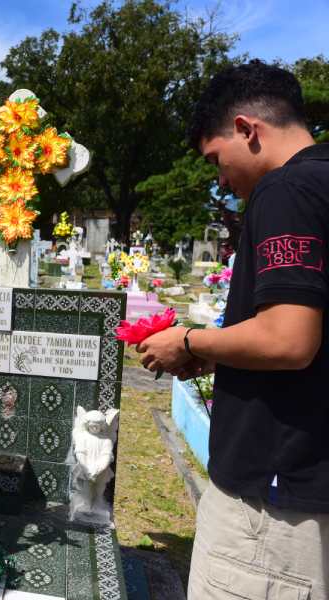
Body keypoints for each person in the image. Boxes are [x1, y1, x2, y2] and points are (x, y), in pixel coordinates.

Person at [136, 61, 329, 598]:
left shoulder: (286, 190)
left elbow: (289, 339)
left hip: (274, 499)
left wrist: (190, 340)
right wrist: (223, 353)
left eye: (215, 159)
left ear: (247, 129)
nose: (219, 180)